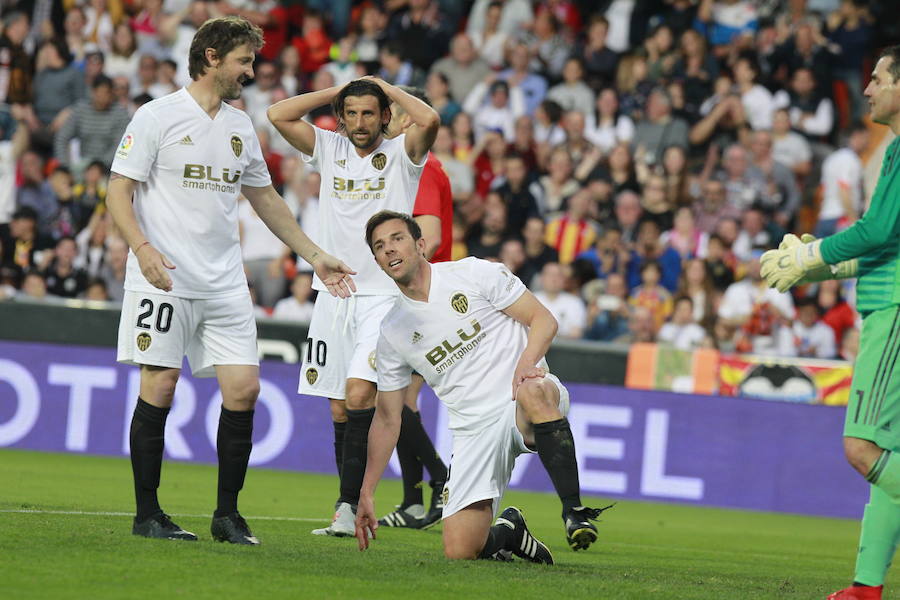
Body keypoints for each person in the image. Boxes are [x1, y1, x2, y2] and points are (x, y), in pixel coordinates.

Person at [107, 16, 355, 545]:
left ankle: (226, 516)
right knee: (161, 384)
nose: (250, 70)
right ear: (213, 56)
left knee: (244, 389)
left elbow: (265, 199)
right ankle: (147, 513)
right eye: (244, 60)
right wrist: (142, 249)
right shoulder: (157, 116)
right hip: (164, 277)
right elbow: (117, 191)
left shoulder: (241, 125)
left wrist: (315, 255)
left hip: (224, 282)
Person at [355, 211, 612, 562]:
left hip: (519, 398)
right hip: (474, 430)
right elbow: (387, 418)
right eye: (379, 246)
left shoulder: (474, 273)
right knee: (460, 550)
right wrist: (366, 492)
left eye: (397, 238)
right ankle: (510, 532)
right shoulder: (392, 331)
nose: (389, 250)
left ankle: (574, 511)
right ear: (377, 262)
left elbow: (543, 320)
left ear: (420, 245)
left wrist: (526, 365)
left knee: (535, 390)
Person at [267, 76, 439, 537]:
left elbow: (429, 118)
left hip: (382, 298)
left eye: (370, 112)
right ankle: (345, 507)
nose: (361, 122)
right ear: (341, 117)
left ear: (384, 115)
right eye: (352, 113)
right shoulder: (329, 147)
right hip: (333, 293)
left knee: (362, 395)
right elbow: (277, 114)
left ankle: (355, 504)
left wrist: (385, 87)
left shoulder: (404, 154)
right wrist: (337, 93)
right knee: (339, 407)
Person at [760, 46, 900, 600]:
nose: (867, 89)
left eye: (878, 78)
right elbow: (881, 238)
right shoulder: (892, 150)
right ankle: (867, 587)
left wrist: (811, 256)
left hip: (894, 310)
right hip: (887, 300)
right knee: (889, 451)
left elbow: (878, 233)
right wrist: (814, 264)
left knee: (862, 447)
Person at [377, 85, 451, 529]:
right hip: (419, 298)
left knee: (398, 402)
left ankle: (442, 480)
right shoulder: (418, 168)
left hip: (423, 300)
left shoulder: (421, 168)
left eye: (392, 113)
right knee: (402, 400)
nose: (386, 121)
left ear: (409, 119)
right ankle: (412, 501)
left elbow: (432, 237)